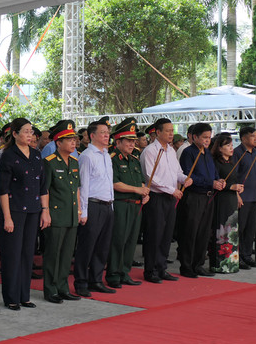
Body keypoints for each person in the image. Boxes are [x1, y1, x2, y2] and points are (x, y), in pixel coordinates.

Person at [0, 118, 48, 310]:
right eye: (25, 131)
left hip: (34, 210)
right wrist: (7, 217)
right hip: (15, 209)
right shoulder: (8, 156)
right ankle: (11, 297)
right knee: (12, 254)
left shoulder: (36, 155)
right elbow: (3, 189)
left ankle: (24, 295)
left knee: (27, 253)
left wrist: (45, 210)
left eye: (31, 131)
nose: (29, 135)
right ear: (15, 134)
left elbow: (42, 185)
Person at [141, 118, 192, 284]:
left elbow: (177, 172)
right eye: (168, 131)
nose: (171, 134)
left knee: (167, 234)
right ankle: (151, 270)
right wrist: (172, 190)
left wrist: (185, 179)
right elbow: (151, 177)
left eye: (172, 130)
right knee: (154, 234)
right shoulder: (150, 151)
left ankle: (162, 268)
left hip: (171, 197)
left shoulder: (170, 150)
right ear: (158, 132)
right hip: (156, 197)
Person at [73, 120, 115, 297]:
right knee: (87, 246)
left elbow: (108, 183)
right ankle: (81, 282)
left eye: (108, 132)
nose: (107, 135)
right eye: (103, 132)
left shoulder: (106, 155)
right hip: (93, 204)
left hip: (107, 205)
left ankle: (96, 280)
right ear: (92, 135)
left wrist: (111, 205)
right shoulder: (87, 156)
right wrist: (83, 212)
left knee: (102, 247)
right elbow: (83, 186)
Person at [177, 123, 223, 278]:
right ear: (194, 137)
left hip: (208, 197)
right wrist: (210, 183)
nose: (207, 140)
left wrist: (218, 181)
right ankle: (187, 266)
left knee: (204, 232)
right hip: (194, 197)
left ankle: (198, 264)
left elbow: (214, 173)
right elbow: (188, 176)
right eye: (204, 137)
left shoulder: (207, 153)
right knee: (191, 232)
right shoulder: (188, 153)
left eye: (209, 137)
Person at [106, 118, 149, 288]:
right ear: (118, 141)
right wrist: (137, 190)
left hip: (136, 205)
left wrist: (144, 191)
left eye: (133, 141)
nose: (132, 144)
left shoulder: (134, 160)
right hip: (121, 204)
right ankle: (113, 275)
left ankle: (125, 272)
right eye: (128, 141)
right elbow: (114, 183)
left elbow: (140, 182)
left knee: (131, 240)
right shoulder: (113, 159)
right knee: (118, 240)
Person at [42, 120, 81, 302]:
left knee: (66, 254)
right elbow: (45, 189)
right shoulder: (49, 162)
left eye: (74, 139)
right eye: (69, 139)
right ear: (58, 143)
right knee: (53, 254)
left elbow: (77, 188)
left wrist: (80, 210)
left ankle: (63, 287)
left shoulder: (74, 162)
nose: (73, 142)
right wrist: (46, 211)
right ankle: (51, 289)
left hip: (71, 214)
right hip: (56, 215)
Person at [209, 134, 242, 273]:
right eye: (227, 145)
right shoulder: (215, 162)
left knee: (232, 231)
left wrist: (238, 191)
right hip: (221, 200)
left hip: (232, 199)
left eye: (231, 145)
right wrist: (230, 186)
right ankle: (219, 264)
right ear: (220, 148)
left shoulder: (232, 161)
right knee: (222, 230)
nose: (231, 148)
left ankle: (231, 264)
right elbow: (216, 182)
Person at [233, 126, 256, 269]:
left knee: (251, 229)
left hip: (254, 197)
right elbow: (233, 176)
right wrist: (237, 195)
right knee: (240, 229)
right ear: (244, 138)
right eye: (252, 136)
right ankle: (237, 258)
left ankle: (247, 256)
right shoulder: (237, 153)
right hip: (242, 197)